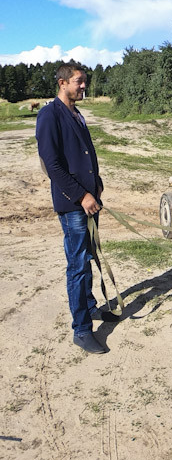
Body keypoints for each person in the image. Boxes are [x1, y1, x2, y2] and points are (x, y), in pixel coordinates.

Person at [36, 62, 118, 354]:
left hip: (88, 199)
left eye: (84, 81)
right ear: (63, 83)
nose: (84, 86)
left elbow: (84, 154)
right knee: (78, 264)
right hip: (72, 204)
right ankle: (81, 330)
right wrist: (81, 196)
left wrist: (97, 183)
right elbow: (53, 165)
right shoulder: (49, 114)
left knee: (88, 255)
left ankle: (91, 306)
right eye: (79, 82)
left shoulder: (75, 113)